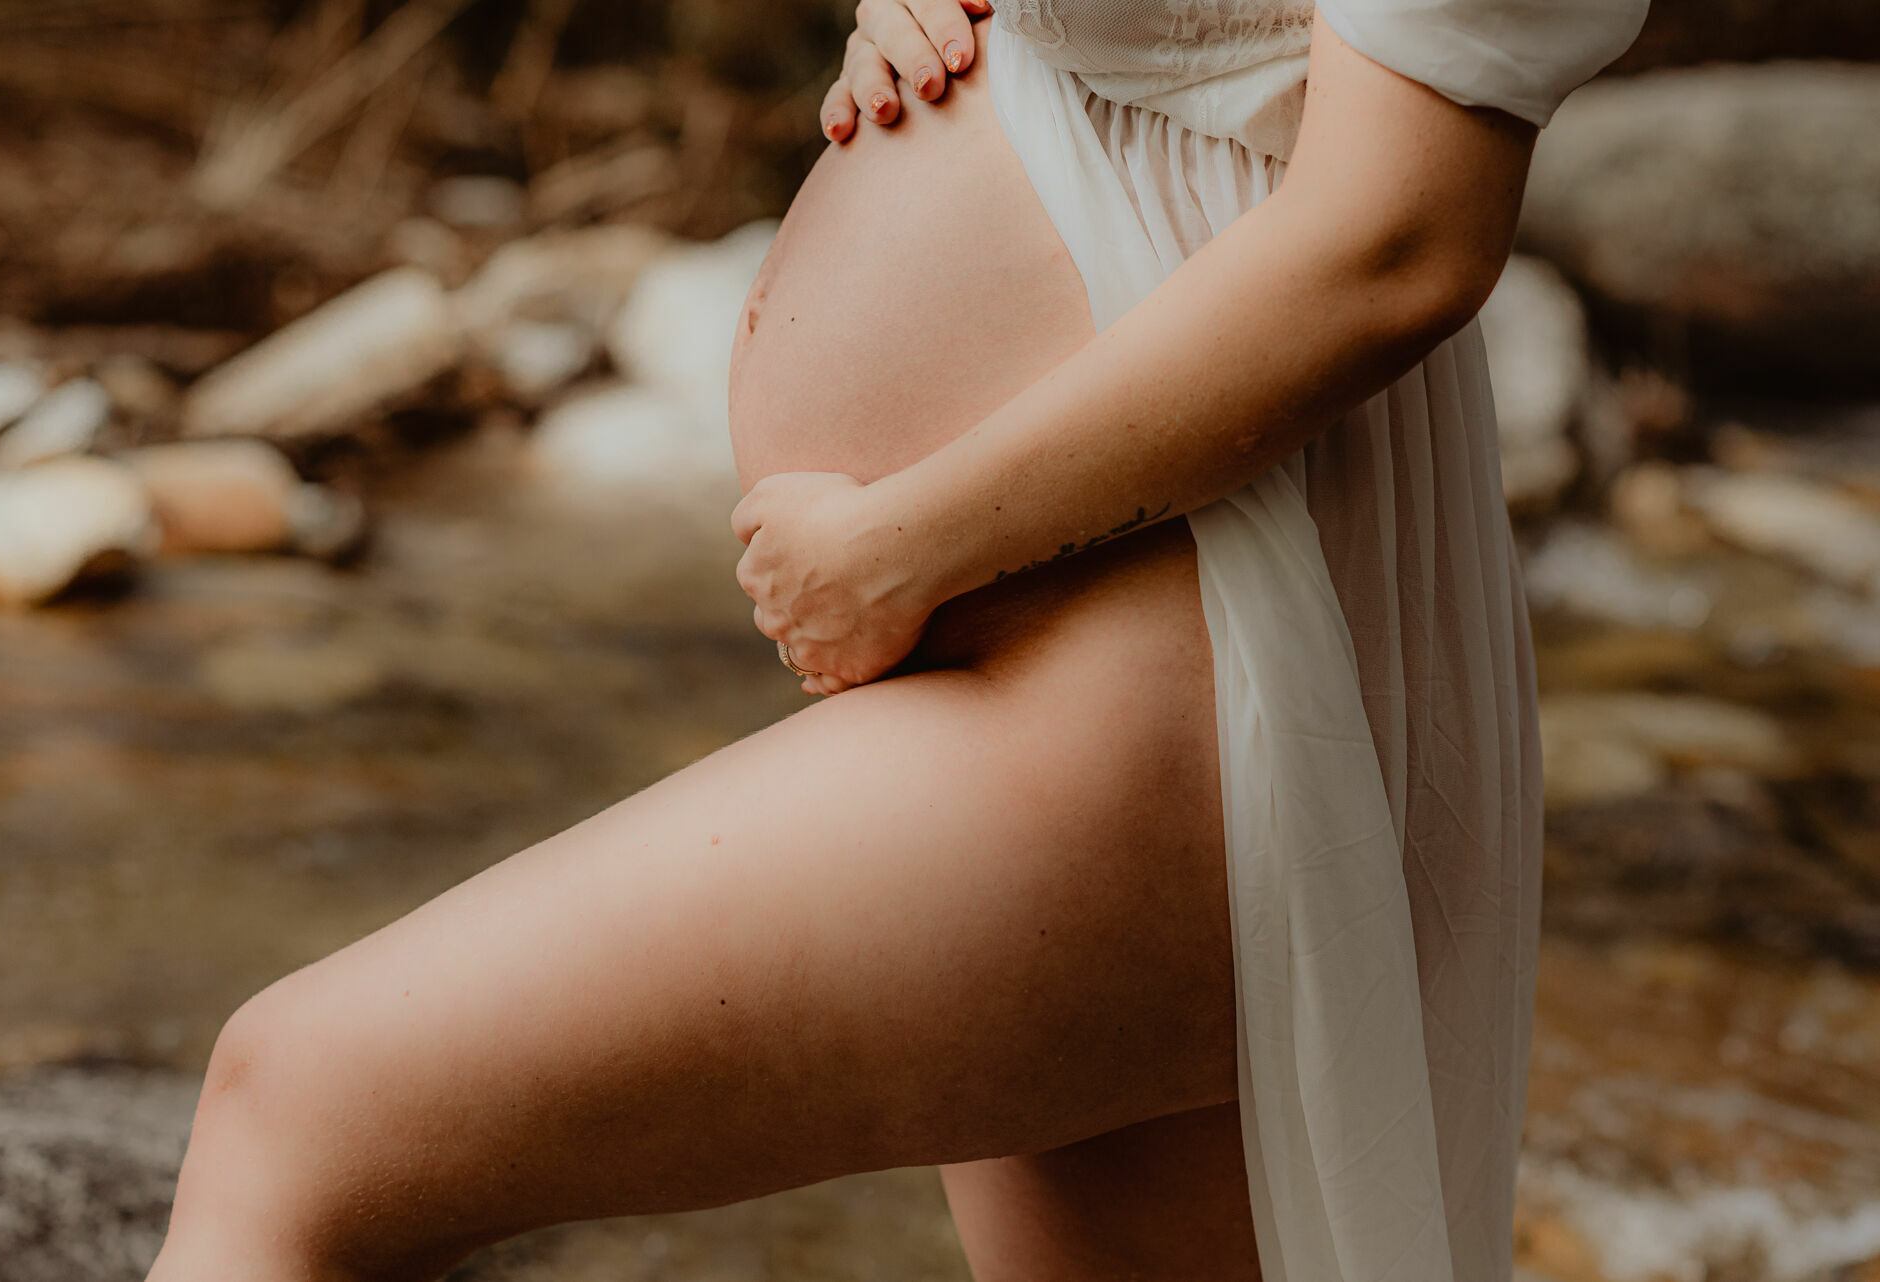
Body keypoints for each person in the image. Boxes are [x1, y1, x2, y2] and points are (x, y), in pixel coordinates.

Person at [144, 2, 1648, 1280]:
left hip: (1177, 654)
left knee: (295, 1119)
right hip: (1089, 644)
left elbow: (1397, 239)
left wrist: (912, 540)